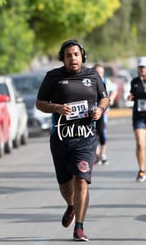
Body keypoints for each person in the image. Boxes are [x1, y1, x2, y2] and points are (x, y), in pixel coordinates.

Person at [36, 39, 109, 242]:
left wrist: (100, 110)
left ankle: (79, 227)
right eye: (68, 55)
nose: (72, 58)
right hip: (61, 138)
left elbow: (105, 98)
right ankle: (71, 205)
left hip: (85, 138)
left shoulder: (92, 75)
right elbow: (40, 103)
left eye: (76, 54)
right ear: (63, 58)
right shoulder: (53, 77)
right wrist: (57, 108)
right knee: (65, 185)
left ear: (82, 56)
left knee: (81, 180)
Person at [93, 64, 117, 165]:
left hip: (104, 112)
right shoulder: (90, 82)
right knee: (94, 133)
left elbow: (114, 89)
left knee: (102, 132)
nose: (99, 74)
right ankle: (97, 155)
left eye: (101, 72)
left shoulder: (106, 82)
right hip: (92, 112)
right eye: (97, 72)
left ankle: (103, 154)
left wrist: (111, 98)